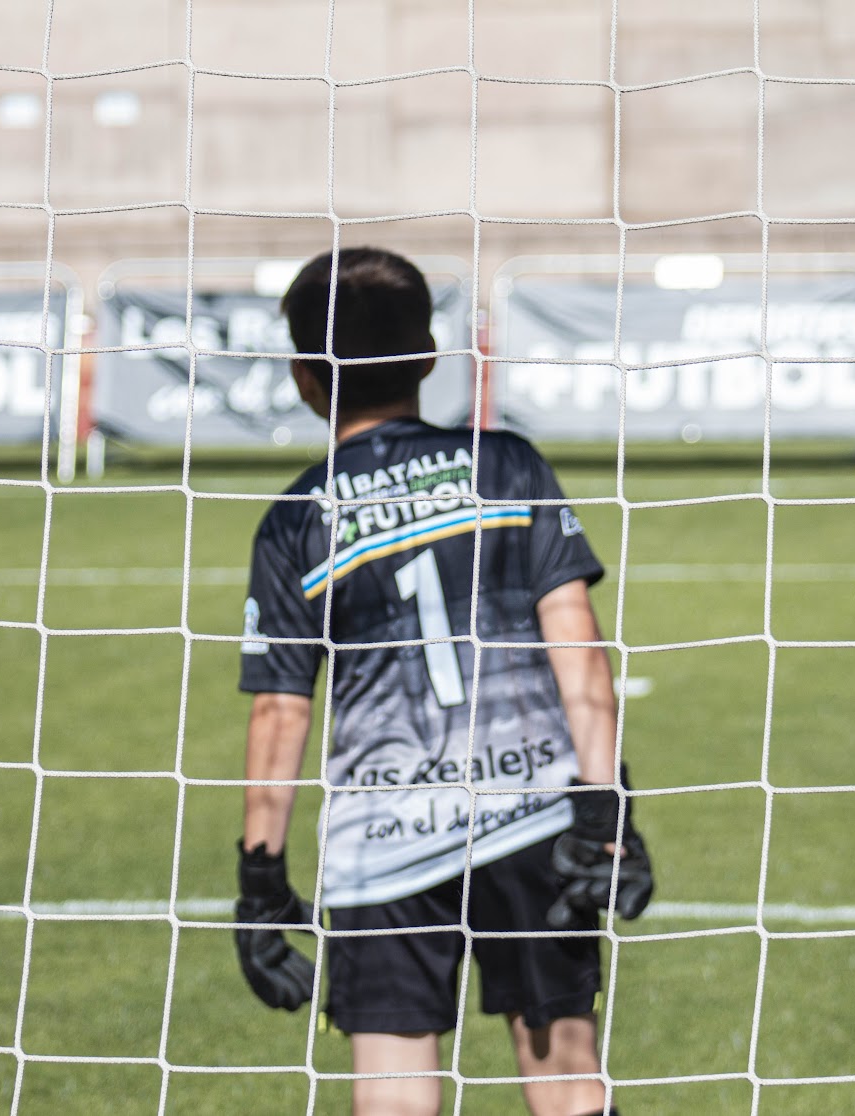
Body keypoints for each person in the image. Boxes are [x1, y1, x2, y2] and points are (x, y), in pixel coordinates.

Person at [234, 246, 654, 1116]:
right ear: (429, 353)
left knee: (394, 1099)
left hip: (383, 838)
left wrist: (260, 878)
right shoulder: (507, 467)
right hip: (534, 816)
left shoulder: (294, 523)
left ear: (304, 376)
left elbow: (281, 709)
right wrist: (604, 801)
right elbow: (577, 641)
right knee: (570, 1084)